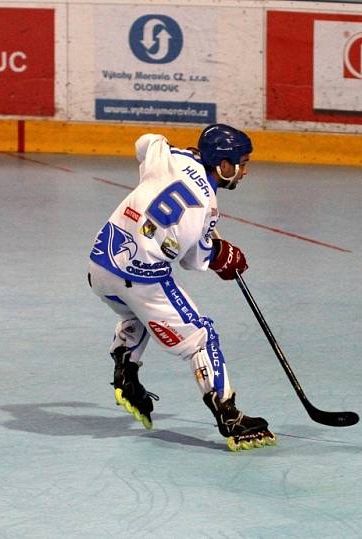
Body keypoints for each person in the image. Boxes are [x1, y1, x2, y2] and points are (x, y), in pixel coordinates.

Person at [87, 124, 276, 451]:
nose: (245, 171)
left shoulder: (169, 155)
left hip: (99, 266)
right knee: (201, 336)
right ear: (222, 165)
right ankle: (228, 415)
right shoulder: (203, 206)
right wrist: (220, 254)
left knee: (141, 314)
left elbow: (145, 142)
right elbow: (192, 258)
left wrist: (180, 153)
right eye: (241, 163)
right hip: (140, 281)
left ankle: (126, 366)